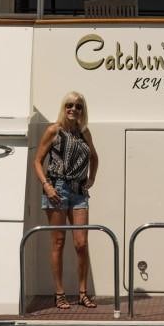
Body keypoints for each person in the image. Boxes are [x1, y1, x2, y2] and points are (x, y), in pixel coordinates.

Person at [34, 92, 98, 310]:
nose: (74, 109)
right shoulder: (54, 130)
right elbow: (38, 161)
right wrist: (47, 186)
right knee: (58, 242)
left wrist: (91, 179)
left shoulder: (84, 132)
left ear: (82, 110)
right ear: (64, 107)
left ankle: (82, 293)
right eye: (70, 105)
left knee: (81, 243)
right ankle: (59, 294)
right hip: (57, 189)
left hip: (79, 191)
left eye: (78, 106)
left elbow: (94, 157)